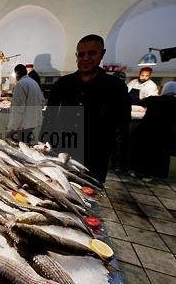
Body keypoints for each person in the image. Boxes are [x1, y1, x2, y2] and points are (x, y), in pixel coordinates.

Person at [41, 34, 131, 183]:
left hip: (95, 156)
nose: (86, 58)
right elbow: (49, 118)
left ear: (102, 54)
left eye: (92, 53)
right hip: (61, 152)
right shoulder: (63, 84)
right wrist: (42, 146)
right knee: (58, 192)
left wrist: (118, 158)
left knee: (88, 196)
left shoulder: (115, 87)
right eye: (81, 54)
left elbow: (121, 123)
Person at [130, 81, 176, 181]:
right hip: (165, 134)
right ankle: (149, 175)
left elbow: (139, 102)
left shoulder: (153, 99)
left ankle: (136, 171)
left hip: (146, 131)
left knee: (142, 152)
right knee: (158, 156)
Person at [8, 64, 44, 144]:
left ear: (16, 74)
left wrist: (14, 128)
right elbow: (42, 100)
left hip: (23, 125)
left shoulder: (21, 84)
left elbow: (18, 109)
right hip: (33, 123)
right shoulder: (33, 82)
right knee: (26, 145)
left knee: (19, 148)